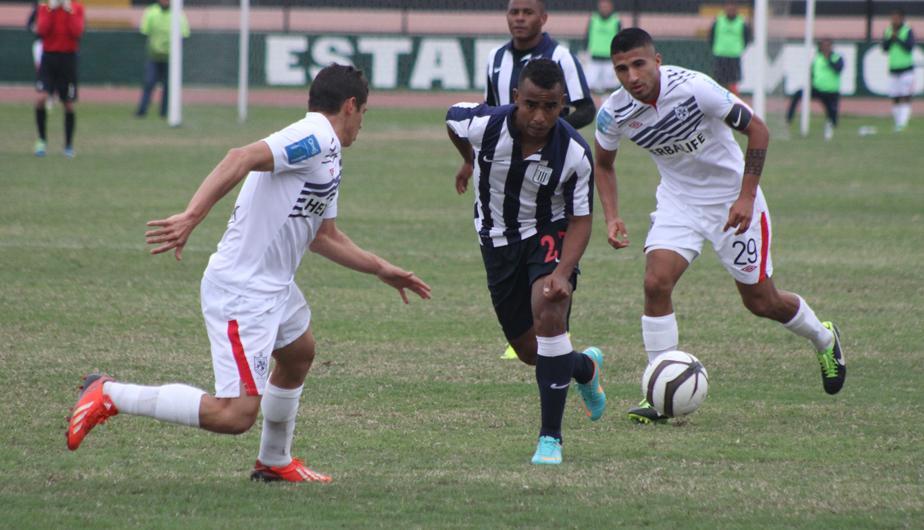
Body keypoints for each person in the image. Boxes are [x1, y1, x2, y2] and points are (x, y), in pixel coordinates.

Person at [65, 64, 432, 483]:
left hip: (275, 286)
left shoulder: (329, 154)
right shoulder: (313, 136)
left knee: (299, 353)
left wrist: (381, 269)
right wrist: (191, 216)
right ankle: (110, 394)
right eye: (364, 112)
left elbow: (323, 236)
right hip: (244, 289)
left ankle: (274, 460)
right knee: (235, 415)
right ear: (350, 106)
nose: (363, 123)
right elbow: (239, 157)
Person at [593, 29, 845, 424]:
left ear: (657, 60)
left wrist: (746, 196)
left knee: (761, 301)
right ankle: (659, 392)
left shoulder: (695, 89)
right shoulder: (614, 113)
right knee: (656, 283)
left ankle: (824, 337)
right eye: (621, 69)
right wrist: (612, 216)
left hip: (732, 201)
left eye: (639, 64)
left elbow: (758, 130)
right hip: (678, 203)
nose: (632, 76)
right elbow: (604, 164)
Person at [447, 58, 606, 464]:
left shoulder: (574, 153)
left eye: (550, 107)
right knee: (531, 352)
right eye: (531, 104)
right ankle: (584, 368)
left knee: (549, 310)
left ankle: (550, 439)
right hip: (497, 242)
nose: (539, 117)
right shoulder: (484, 126)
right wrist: (468, 159)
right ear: (516, 97)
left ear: (563, 103)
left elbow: (582, 219)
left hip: (547, 232)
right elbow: (451, 119)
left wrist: (563, 273)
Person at [485, 0, 596, 130]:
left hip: (548, 143)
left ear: (543, 18)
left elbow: (587, 109)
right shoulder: (495, 56)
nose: (519, 18)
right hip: (504, 142)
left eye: (528, 13)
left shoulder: (562, 57)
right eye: (514, 12)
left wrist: (553, 132)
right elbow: (490, 106)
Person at [33, 0, 84, 158]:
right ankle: (41, 140)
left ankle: (68, 146)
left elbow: (77, 32)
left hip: (68, 59)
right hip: (49, 58)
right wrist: (51, 10)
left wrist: (69, 11)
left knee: (68, 104)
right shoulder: (45, 7)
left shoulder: (76, 8)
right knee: (41, 99)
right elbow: (42, 30)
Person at [135, 0, 189, 118]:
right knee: (149, 82)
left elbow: (184, 34)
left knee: (168, 86)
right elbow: (145, 31)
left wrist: (176, 48)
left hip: (171, 59)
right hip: (154, 56)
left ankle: (164, 112)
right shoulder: (151, 12)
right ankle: (142, 110)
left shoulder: (178, 14)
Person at [786, 38, 843, 141]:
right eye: (823, 46)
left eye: (827, 46)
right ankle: (788, 120)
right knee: (798, 94)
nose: (825, 48)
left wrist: (828, 60)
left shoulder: (837, 58)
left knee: (832, 115)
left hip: (831, 92)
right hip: (817, 89)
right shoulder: (817, 58)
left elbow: (838, 69)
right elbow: (812, 73)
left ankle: (830, 126)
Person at [882, 9, 915, 132]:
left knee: (905, 96)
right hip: (893, 69)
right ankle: (897, 123)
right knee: (895, 97)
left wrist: (898, 39)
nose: (894, 21)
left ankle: (902, 123)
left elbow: (909, 47)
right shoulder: (888, 31)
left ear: (902, 19)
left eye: (896, 18)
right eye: (893, 18)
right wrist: (891, 38)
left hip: (906, 69)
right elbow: (885, 48)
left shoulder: (907, 30)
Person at [709, 1, 751, 96]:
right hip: (720, 55)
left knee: (733, 82)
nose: (730, 8)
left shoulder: (741, 22)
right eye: (728, 5)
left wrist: (739, 48)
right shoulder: (718, 20)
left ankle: (734, 101)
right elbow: (711, 37)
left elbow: (746, 38)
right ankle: (718, 100)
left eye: (733, 5)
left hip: (734, 56)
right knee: (718, 82)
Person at [584, 0, 621, 94]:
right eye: (602, 6)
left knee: (609, 88)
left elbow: (619, 38)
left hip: (609, 59)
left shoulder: (616, 20)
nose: (604, 8)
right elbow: (587, 36)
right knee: (590, 86)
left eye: (606, 6)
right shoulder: (593, 19)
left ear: (611, 7)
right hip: (594, 59)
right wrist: (585, 50)